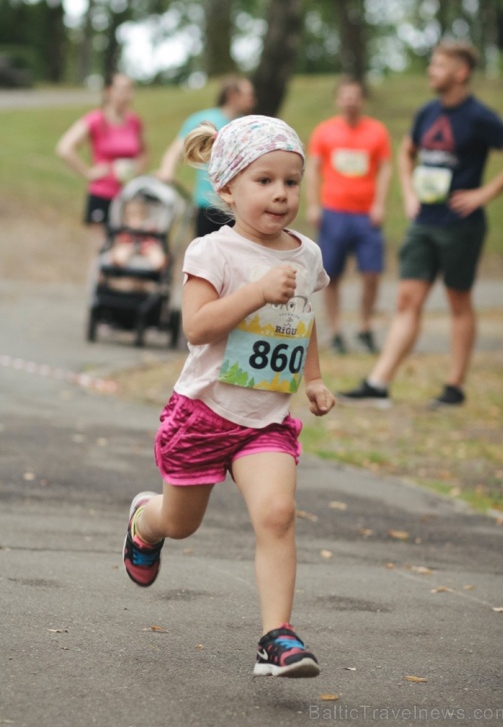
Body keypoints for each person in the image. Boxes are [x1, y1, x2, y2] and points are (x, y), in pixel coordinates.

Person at [123, 115, 335, 678]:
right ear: (227, 189)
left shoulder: (307, 254)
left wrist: (312, 378)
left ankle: (276, 637)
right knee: (181, 523)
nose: (280, 194)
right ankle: (146, 522)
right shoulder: (211, 252)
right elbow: (197, 327)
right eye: (264, 180)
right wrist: (257, 291)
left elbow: (303, 320)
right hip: (204, 415)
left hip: (266, 419)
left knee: (277, 514)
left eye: (291, 181)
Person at [338, 40, 503, 408]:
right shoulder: (428, 112)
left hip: (461, 224)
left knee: (459, 300)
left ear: (461, 73)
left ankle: (454, 386)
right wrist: (409, 193)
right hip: (424, 222)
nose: (431, 70)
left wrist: (484, 193)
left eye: (439, 65)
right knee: (406, 300)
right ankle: (379, 382)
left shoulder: (479, 116)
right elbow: (407, 150)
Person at [306, 78, 393, 355]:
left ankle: (365, 327)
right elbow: (313, 169)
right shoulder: (325, 131)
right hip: (333, 212)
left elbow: (386, 169)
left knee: (371, 273)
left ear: (362, 100)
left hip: (366, 215)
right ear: (338, 100)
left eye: (355, 96)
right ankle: (336, 331)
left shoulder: (377, 132)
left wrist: (379, 204)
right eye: (345, 96)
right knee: (332, 275)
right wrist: (313, 205)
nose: (350, 101)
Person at [56, 72, 148, 250]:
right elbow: (64, 148)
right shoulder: (96, 119)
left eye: (130, 90)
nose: (127, 95)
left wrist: (138, 171)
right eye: (122, 90)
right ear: (109, 92)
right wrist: (88, 172)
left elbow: (144, 153)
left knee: (126, 249)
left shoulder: (134, 121)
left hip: (128, 197)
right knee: (101, 249)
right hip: (102, 193)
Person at [156, 75, 256, 236]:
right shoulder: (204, 119)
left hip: (240, 206)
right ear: (232, 95)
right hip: (209, 205)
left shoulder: (248, 125)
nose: (253, 100)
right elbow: (176, 150)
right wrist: (167, 170)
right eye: (249, 95)